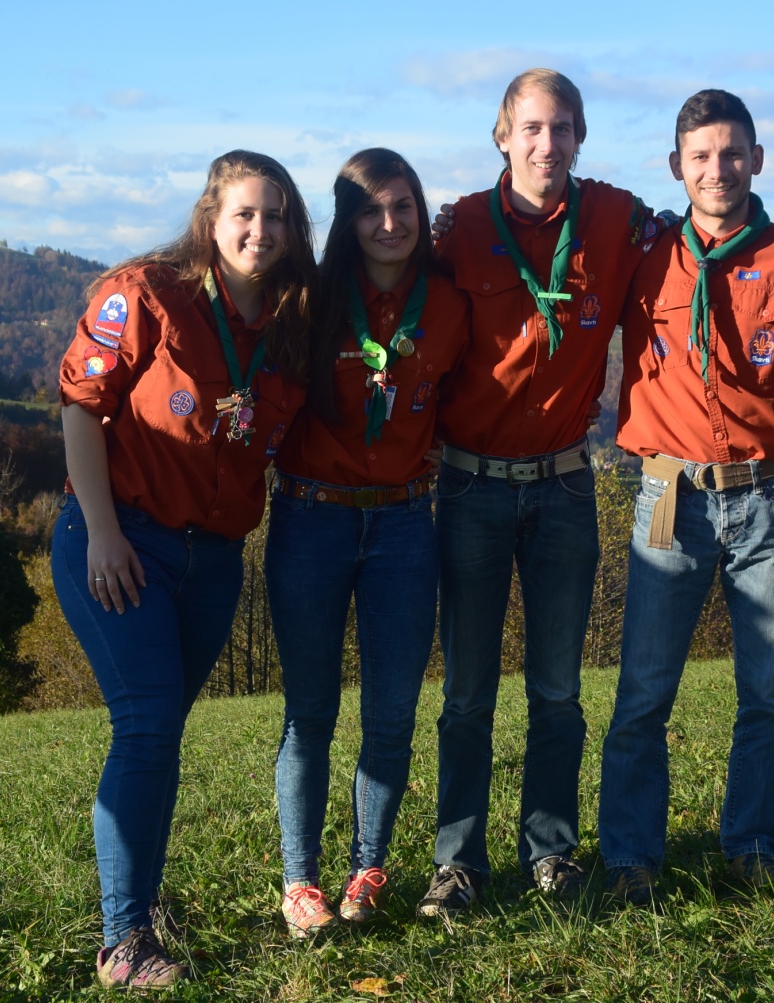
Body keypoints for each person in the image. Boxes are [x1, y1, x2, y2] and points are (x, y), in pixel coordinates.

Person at [51, 150, 316, 987]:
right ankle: (122, 941)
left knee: (158, 736)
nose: (260, 231)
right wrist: (100, 531)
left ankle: (138, 903)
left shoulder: (289, 320)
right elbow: (79, 407)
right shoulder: (149, 291)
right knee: (148, 722)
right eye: (245, 213)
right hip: (122, 540)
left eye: (276, 216)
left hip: (215, 561)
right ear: (211, 217)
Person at [596, 89, 774, 907]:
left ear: (758, 157)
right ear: (676, 166)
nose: (719, 169)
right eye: (702, 156)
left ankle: (751, 843)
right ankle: (632, 859)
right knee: (643, 689)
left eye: (733, 152)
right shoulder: (640, 255)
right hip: (668, 492)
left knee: (769, 691)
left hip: (772, 493)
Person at [417, 68, 671, 914]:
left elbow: (694, 244)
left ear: (580, 138)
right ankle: (459, 863)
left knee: (558, 691)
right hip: (471, 488)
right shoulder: (453, 229)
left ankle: (551, 853)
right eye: (531, 128)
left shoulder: (615, 218)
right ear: (501, 136)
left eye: (562, 128)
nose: (546, 143)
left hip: (564, 486)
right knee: (466, 695)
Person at [263, 149, 470, 936]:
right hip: (312, 518)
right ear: (348, 220)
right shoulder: (311, 300)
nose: (389, 224)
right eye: (371, 209)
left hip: (406, 524)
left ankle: (368, 865)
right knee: (310, 709)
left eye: (404, 207)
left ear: (422, 214)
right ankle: (300, 879)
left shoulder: (448, 308)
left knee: (391, 712)